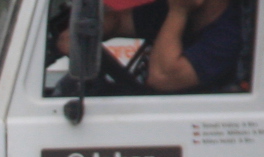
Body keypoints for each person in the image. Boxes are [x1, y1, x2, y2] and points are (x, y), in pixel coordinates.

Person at [61, 0, 250, 92]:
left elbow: (162, 77)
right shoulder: (176, 10)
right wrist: (82, 31)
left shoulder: (232, 33)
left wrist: (178, 12)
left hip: (191, 125)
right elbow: (118, 22)